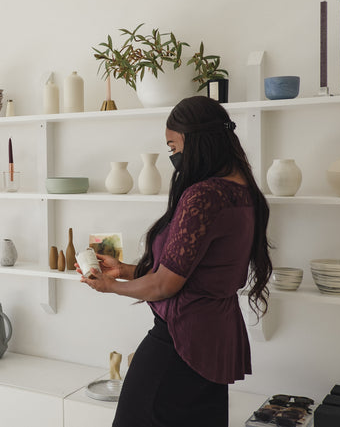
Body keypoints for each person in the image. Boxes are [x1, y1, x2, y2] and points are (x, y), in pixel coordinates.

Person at [80, 96, 272, 427]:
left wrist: (110, 286)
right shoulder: (244, 191)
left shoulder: (204, 195)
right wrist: (126, 271)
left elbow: (164, 284)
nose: (172, 155)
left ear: (194, 139)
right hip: (213, 343)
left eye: (172, 145)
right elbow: (195, 269)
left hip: (178, 345)